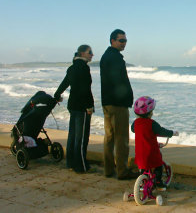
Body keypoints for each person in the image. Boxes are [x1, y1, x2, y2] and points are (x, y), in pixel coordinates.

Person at [100, 29, 136, 179]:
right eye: (121, 40)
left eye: (125, 40)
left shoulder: (106, 56)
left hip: (108, 102)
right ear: (112, 41)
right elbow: (119, 82)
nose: (124, 43)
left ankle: (108, 169)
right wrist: (127, 98)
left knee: (109, 137)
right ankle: (122, 171)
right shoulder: (115, 58)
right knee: (121, 138)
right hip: (117, 104)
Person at [54, 44, 94, 173]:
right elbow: (85, 89)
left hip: (72, 105)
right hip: (82, 106)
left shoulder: (72, 68)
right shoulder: (83, 68)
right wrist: (89, 106)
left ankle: (70, 163)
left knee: (72, 135)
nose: (92, 54)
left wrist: (57, 94)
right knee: (81, 137)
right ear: (82, 53)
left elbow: (65, 83)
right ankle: (81, 166)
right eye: (90, 52)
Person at [131, 96, 178, 191]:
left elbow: (133, 130)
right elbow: (162, 131)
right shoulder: (152, 124)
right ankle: (158, 182)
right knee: (158, 163)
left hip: (140, 152)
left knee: (143, 167)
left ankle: (142, 181)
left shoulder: (135, 123)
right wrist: (172, 133)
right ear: (150, 113)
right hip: (151, 152)